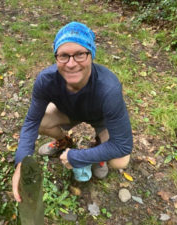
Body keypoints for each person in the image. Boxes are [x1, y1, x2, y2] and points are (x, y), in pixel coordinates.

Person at [12, 22, 133, 202]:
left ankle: (98, 152)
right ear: (56, 58)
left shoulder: (109, 88)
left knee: (120, 160)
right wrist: (21, 162)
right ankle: (64, 141)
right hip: (69, 112)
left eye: (79, 54)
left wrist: (79, 157)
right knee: (42, 122)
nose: (71, 63)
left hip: (101, 119)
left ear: (91, 54)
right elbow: (31, 122)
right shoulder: (46, 80)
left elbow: (123, 145)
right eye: (63, 56)